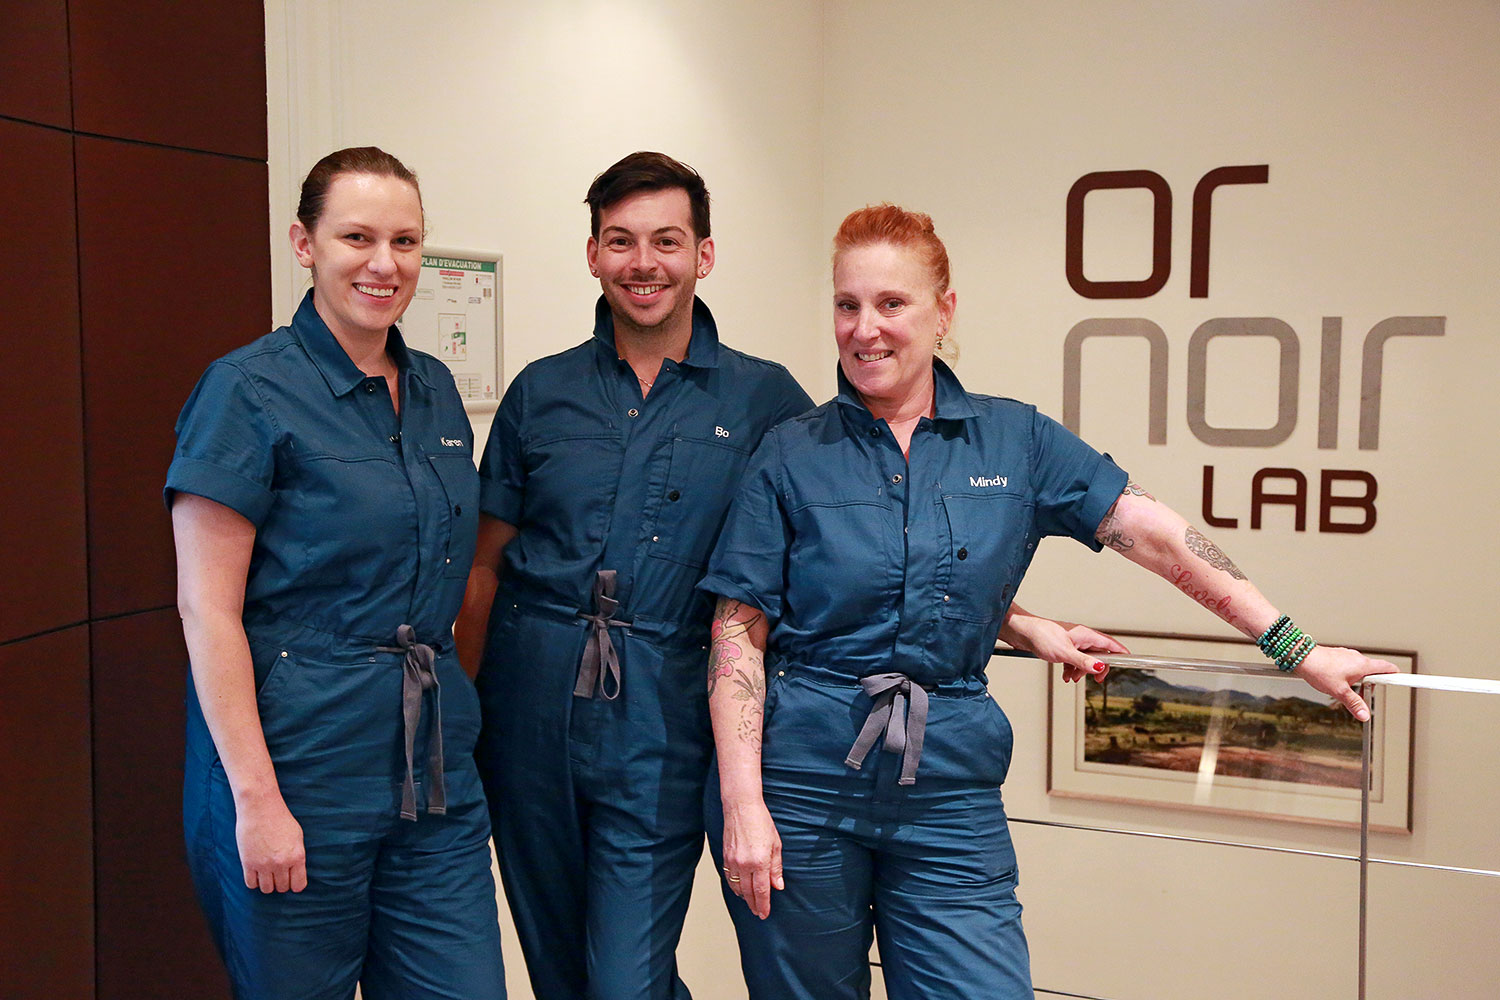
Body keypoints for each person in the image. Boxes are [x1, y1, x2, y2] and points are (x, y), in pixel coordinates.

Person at [453, 153, 1123, 1000]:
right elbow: (484, 567)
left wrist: (1015, 621)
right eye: (620, 241)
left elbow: (859, 544)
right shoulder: (538, 393)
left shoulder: (766, 403)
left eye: (666, 239)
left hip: (665, 704)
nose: (643, 262)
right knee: (554, 965)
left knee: (625, 975)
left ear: (704, 254)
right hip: (530, 701)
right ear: (593, 255)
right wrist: (469, 710)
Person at [700, 204, 1398, 1000]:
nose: (866, 329)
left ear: (944, 311)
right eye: (847, 304)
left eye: (892, 304)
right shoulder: (791, 453)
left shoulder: (1016, 441)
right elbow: (737, 632)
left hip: (949, 782)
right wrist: (743, 806)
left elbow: (1167, 541)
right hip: (804, 784)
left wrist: (1296, 649)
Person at [167, 147, 505, 1000]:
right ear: (304, 243)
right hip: (298, 771)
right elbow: (206, 612)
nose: (384, 264)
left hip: (432, 778)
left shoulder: (431, 388)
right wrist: (257, 801)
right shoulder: (245, 391)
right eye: (357, 236)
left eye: (406, 240)